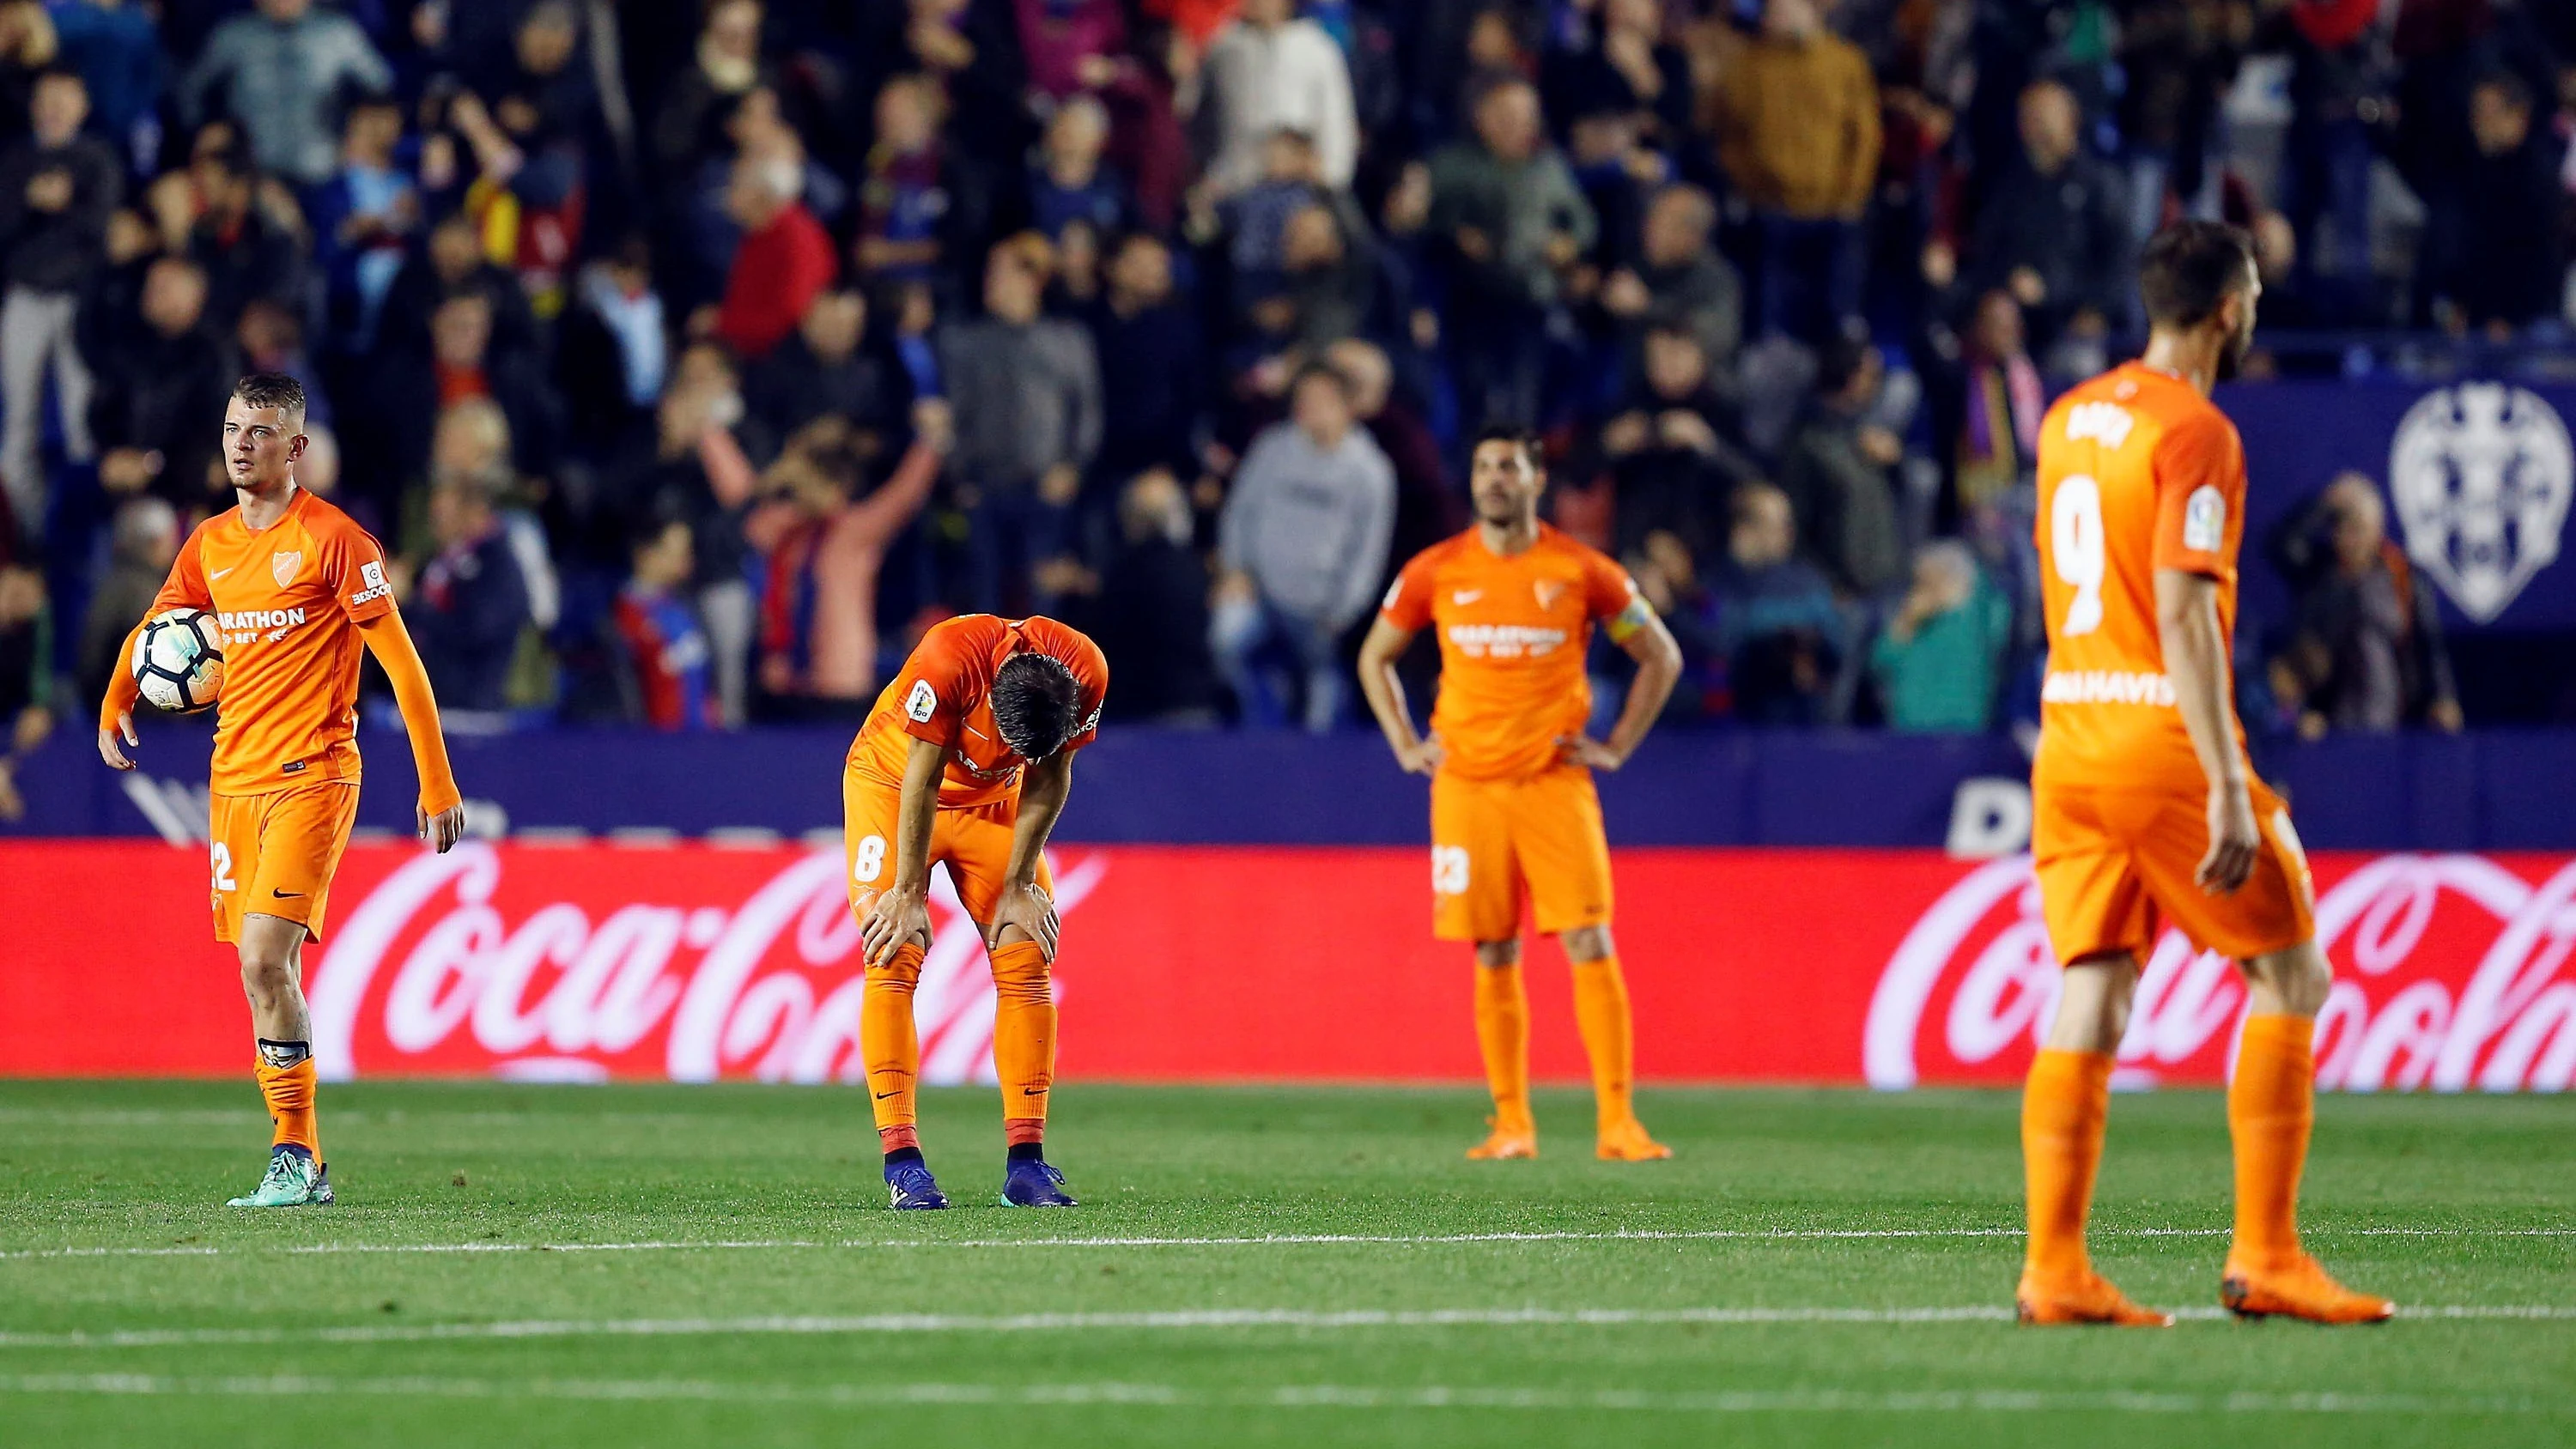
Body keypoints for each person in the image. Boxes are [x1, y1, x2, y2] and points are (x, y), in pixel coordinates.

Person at [2020, 221, 2389, 1326]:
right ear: (2228, 308)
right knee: (2291, 977)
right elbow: (2181, 606)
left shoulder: (2068, 416)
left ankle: (2055, 1267)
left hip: (2069, 740)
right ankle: (2266, 1253)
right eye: (2258, 292)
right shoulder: (2199, 432)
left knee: (2094, 984)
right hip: (2164, 745)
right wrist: (2228, 779)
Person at [95, 372, 465, 1209]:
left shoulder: (338, 542)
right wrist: (118, 694)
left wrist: (435, 779)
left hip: (313, 774)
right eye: (232, 427)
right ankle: (302, 1158)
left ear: (295, 446)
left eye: (260, 431)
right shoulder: (210, 542)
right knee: (263, 974)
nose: (240, 443)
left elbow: (402, 665)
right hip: (236, 782)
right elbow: (161, 628)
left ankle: (294, 1153)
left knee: (267, 954)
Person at [1354, 426, 1684, 1162]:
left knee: (1588, 937)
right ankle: (1512, 1124)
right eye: (1482, 466)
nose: (1494, 479)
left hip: (1553, 783)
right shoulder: (1436, 570)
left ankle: (1618, 1123)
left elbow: (1659, 654)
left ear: (1537, 480)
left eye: (1508, 467)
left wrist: (1618, 746)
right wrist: (1407, 744)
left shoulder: (1581, 569)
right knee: (1493, 949)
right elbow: (1375, 656)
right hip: (1467, 788)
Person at [845, 612, 1109, 1210]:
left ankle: (1027, 1166)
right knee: (893, 948)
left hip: (994, 804)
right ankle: (903, 1163)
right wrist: (909, 894)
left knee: (1026, 948)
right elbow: (923, 776)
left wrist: (1019, 882)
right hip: (892, 786)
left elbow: (1051, 774)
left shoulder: (1087, 668)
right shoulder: (950, 657)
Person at [1212, 361, 1394, 731]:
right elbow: (1239, 513)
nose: (1308, 407)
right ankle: (1257, 723)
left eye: (1320, 400)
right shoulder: (1273, 448)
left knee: (1319, 707)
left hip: (1320, 609)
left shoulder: (1370, 471)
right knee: (1224, 637)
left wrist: (1344, 610)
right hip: (1259, 592)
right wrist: (1235, 570)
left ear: (1346, 406)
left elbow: (1368, 551)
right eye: (1303, 399)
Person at [0, 67, 117, 546]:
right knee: (17, 426)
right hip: (24, 296)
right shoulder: (15, 160)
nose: (53, 108)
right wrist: (31, 203)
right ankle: (27, 540)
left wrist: (62, 205)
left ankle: (83, 536)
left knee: (79, 424)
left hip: (79, 302)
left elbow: (103, 231)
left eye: (64, 98)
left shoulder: (97, 159)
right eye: (45, 98)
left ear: (82, 106)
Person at [1868, 538, 2009, 731]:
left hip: (1962, 730)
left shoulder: (1981, 616)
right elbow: (1880, 661)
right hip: (1912, 732)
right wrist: (1906, 624)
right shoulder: (1914, 617)